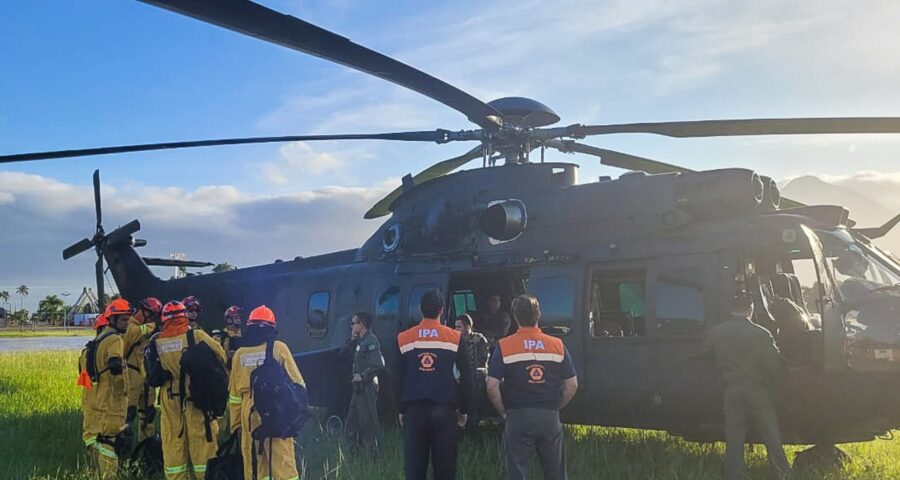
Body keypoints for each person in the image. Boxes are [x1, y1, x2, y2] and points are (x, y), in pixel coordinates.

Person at [486, 295, 578, 480]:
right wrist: (556, 407)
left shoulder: (504, 346)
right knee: (556, 473)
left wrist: (503, 411)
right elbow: (572, 384)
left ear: (515, 317)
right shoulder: (557, 345)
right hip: (549, 416)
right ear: (539, 315)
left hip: (518, 415)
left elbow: (492, 385)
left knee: (518, 471)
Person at [707, 293, 791, 480]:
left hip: (732, 391)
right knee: (771, 436)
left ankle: (733, 475)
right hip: (758, 392)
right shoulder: (762, 334)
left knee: (734, 437)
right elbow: (773, 368)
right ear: (751, 309)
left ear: (731, 310)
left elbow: (704, 353)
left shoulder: (717, 332)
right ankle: (781, 473)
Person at [395, 288, 474, 480]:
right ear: (441, 310)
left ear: (421, 310)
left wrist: (400, 408)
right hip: (445, 412)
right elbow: (467, 375)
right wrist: (464, 409)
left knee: (414, 470)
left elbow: (396, 377)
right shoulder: (455, 337)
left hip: (414, 411)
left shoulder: (404, 338)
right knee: (445, 470)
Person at [228, 305, 305, 480]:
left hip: (249, 415)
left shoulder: (239, 354)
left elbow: (234, 396)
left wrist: (236, 426)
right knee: (283, 465)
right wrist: (295, 417)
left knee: (254, 466)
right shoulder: (279, 348)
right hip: (277, 411)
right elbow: (298, 384)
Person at [155, 300, 226, 480]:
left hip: (169, 398)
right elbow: (221, 356)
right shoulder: (196, 336)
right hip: (195, 396)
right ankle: (205, 476)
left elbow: (149, 370)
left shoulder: (157, 341)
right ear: (184, 317)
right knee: (202, 440)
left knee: (173, 441)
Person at [77, 300, 133, 478]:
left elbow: (83, 379)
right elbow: (115, 364)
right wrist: (120, 392)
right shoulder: (115, 339)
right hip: (110, 400)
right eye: (124, 320)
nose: (127, 323)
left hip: (92, 399)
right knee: (109, 441)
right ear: (112, 320)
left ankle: (93, 472)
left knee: (93, 438)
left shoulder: (87, 350)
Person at [124, 296, 162, 443]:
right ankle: (122, 451)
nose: (152, 319)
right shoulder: (129, 326)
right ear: (144, 311)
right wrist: (155, 326)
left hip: (147, 377)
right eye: (151, 315)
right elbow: (135, 333)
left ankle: (147, 449)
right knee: (127, 415)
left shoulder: (146, 329)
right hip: (131, 376)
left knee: (148, 415)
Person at [346, 311, 385, 453]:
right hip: (358, 388)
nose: (351, 326)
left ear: (361, 324)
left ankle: (374, 455)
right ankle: (353, 453)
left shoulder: (371, 341)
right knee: (352, 421)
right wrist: (352, 338)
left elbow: (378, 364)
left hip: (367, 387)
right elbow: (353, 354)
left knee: (368, 423)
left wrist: (363, 376)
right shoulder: (360, 341)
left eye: (353, 323)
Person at [212, 305, 243, 369]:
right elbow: (212, 359)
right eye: (236, 317)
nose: (239, 320)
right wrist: (226, 355)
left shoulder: (245, 335)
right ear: (229, 320)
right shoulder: (218, 337)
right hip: (226, 374)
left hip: (241, 372)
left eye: (240, 317)